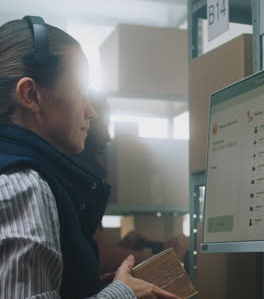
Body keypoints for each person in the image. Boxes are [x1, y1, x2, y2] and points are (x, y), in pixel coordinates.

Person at [0, 16, 188, 299]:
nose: (88, 110)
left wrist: (91, 294)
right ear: (30, 94)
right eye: (81, 91)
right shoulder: (23, 184)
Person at [70, 94, 190, 274]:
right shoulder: (74, 177)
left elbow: (87, 251)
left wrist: (123, 248)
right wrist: (163, 261)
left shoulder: (80, 178)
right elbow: (95, 257)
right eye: (102, 124)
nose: (108, 137)